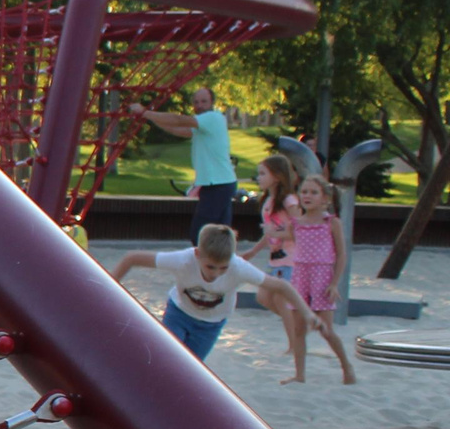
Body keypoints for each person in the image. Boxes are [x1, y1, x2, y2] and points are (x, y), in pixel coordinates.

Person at [110, 223, 311, 370]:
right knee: (167, 356)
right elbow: (132, 258)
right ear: (197, 254)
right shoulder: (183, 260)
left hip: (210, 325)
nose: (215, 273)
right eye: (210, 267)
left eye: (223, 268)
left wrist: (307, 314)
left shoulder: (239, 268)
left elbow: (282, 287)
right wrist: (111, 285)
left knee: (190, 367)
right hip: (179, 313)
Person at [126, 85, 240, 242]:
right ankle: (222, 263)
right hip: (220, 183)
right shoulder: (204, 125)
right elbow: (178, 130)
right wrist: (148, 117)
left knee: (200, 235)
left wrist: (144, 112)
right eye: (196, 102)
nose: (199, 106)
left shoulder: (212, 118)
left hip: (218, 185)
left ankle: (206, 264)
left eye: (204, 101)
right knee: (221, 235)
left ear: (212, 102)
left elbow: (179, 120)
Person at [279, 175, 356, 385]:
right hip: (300, 275)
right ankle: (299, 374)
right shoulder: (295, 223)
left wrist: (334, 283)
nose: (307, 196)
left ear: (325, 198)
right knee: (298, 329)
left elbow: (341, 255)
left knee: (325, 329)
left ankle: (346, 366)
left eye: (313, 192)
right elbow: (297, 247)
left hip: (322, 275)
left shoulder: (332, 223)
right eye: (304, 192)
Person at [242, 151, 299, 280]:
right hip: (274, 260)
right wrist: (253, 251)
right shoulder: (268, 201)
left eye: (263, 174)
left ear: (277, 177)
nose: (258, 178)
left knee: (279, 298)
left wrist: (275, 233)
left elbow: (300, 231)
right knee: (264, 297)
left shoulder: (289, 201)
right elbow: (269, 233)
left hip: (290, 261)